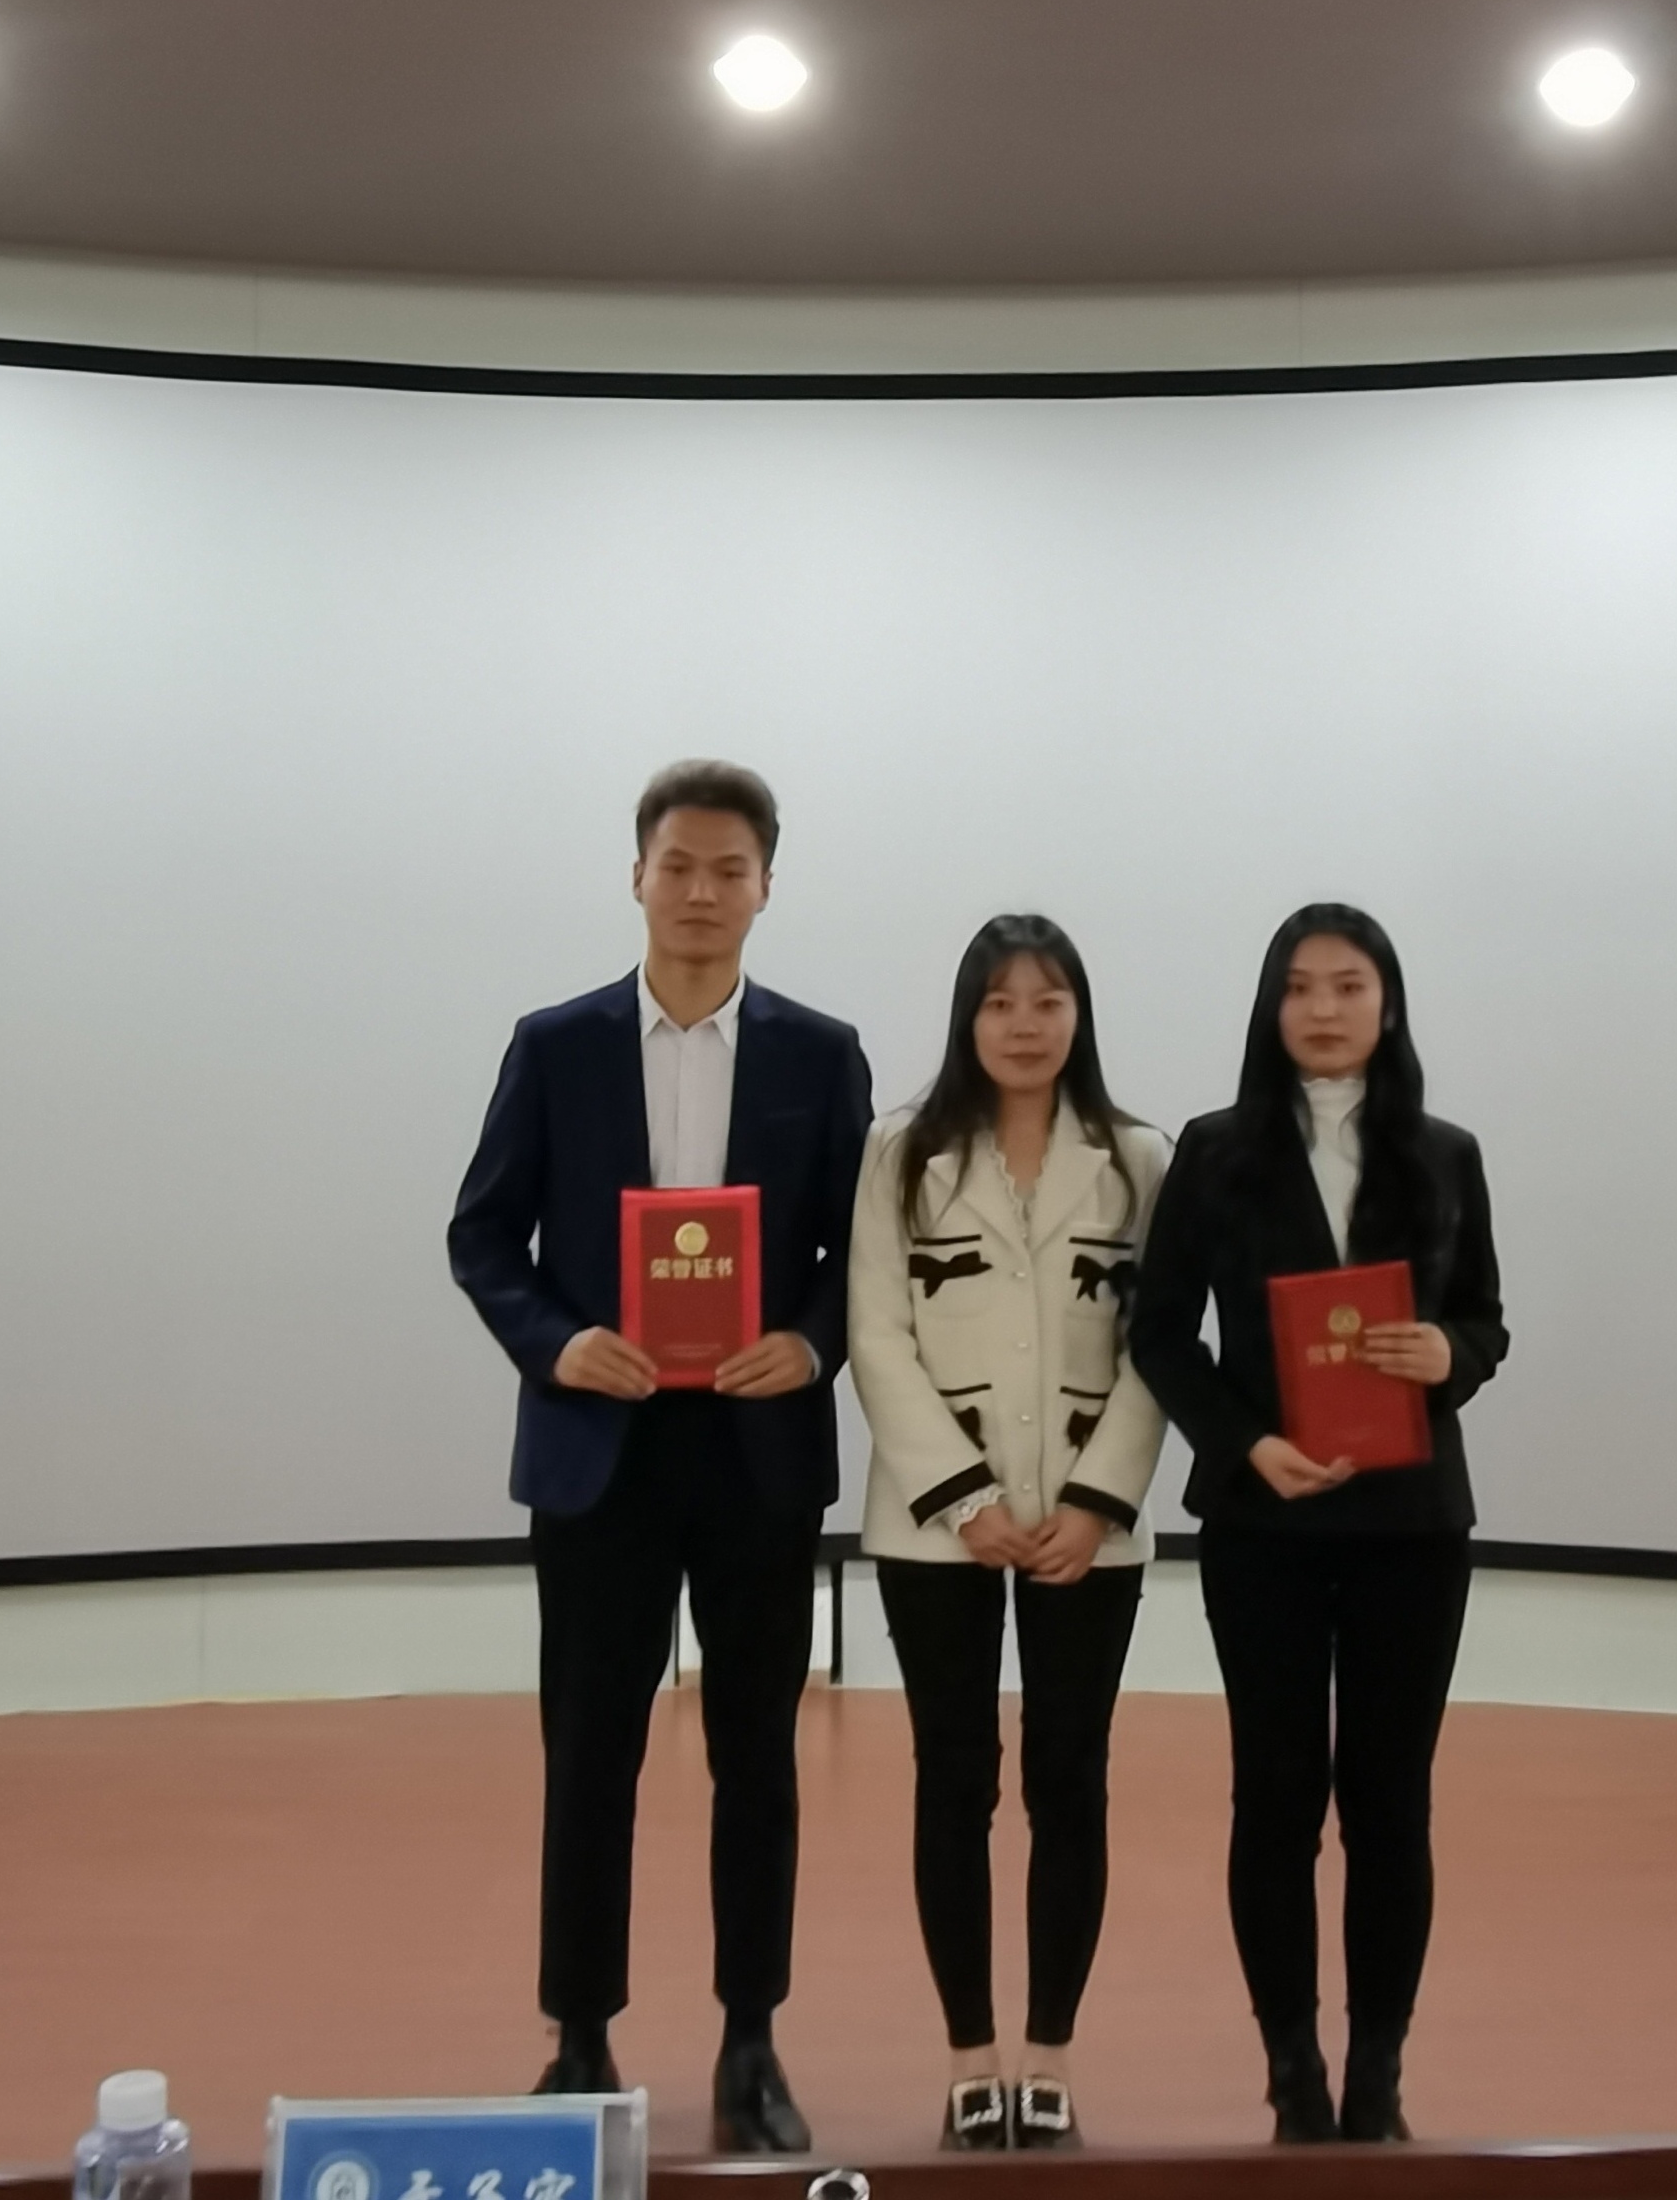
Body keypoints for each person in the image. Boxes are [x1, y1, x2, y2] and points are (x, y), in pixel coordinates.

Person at [446, 760, 874, 2153]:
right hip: (600, 1455)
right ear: (636, 875)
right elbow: (482, 1236)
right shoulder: (555, 1044)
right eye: (677, 865)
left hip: (758, 1456)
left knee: (759, 1758)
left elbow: (854, 1254)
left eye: (727, 869)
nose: (700, 891)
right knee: (590, 1755)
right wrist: (555, 1341)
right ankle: (578, 2035)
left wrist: (809, 1343)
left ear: (765, 886)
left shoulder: (821, 1054)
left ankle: (752, 2038)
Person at [1129, 903, 1507, 2146]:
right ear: (1270, 1006)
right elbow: (1160, 1331)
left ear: (1387, 1004)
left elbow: (1486, 1320)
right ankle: (1293, 2071)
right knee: (1276, 1796)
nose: (1325, 1008)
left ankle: (1378, 2075)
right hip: (1265, 1521)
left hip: (1412, 1525)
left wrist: (1448, 1352)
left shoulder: (1445, 1153)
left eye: (1349, 985)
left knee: (1391, 1802)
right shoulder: (1214, 1148)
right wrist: (1243, 1441)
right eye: (1300, 987)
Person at [847, 915, 1172, 2153]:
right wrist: (963, 1497)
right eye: (999, 1002)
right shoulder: (902, 1151)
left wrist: (1097, 1498)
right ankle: (970, 2057)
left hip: (1090, 1526)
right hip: (939, 1527)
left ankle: (1049, 2056)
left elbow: (1159, 1341)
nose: (1025, 1024)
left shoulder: (1140, 1158)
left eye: (1047, 1001)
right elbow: (876, 1331)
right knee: (954, 1777)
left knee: (1070, 1778)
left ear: (1079, 1014)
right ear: (967, 1017)